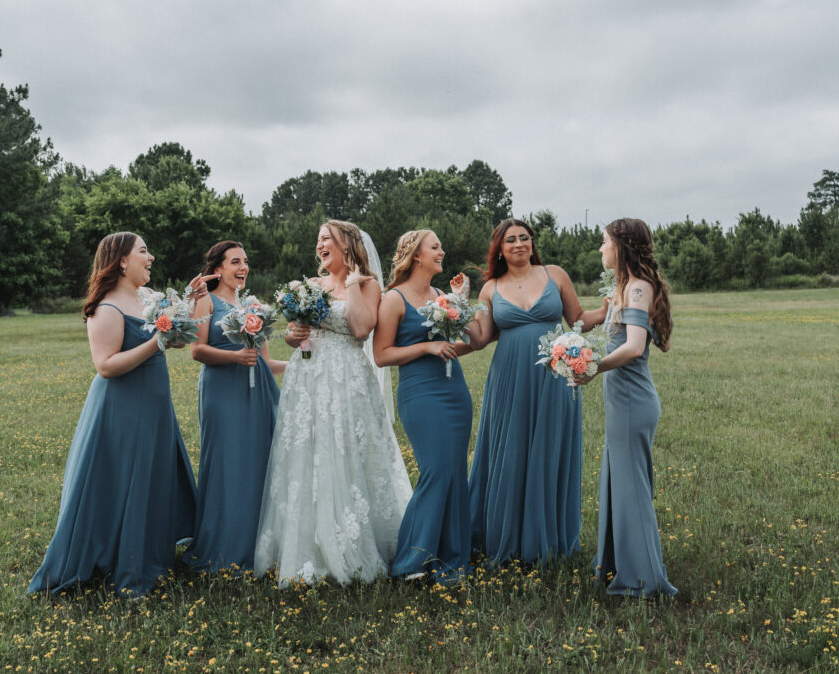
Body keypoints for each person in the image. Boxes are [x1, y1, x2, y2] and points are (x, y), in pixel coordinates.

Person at [29, 232, 215, 597]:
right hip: (123, 407)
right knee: (124, 478)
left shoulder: (147, 298)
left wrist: (189, 306)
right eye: (144, 251)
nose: (152, 258)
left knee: (151, 476)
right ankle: (117, 559)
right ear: (121, 261)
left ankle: (148, 552)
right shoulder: (106, 308)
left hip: (154, 404)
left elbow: (171, 337)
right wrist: (156, 342)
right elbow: (106, 366)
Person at [254, 220, 412, 586]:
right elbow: (297, 338)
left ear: (347, 245)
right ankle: (308, 543)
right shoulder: (310, 286)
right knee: (308, 452)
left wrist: (354, 284)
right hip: (307, 378)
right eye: (319, 240)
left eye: (327, 239)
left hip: (347, 377)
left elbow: (360, 329)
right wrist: (294, 335)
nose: (320, 245)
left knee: (347, 452)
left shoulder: (369, 285)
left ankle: (355, 542)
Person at [464, 218, 606, 564]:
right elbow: (481, 338)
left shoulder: (554, 275)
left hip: (555, 375)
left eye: (524, 238)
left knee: (548, 450)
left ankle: (547, 538)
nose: (519, 244)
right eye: (510, 240)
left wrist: (609, 308)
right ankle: (503, 535)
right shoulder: (490, 289)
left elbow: (579, 320)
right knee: (509, 450)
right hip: (509, 379)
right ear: (500, 248)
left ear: (532, 242)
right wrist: (456, 308)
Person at [573, 218, 677, 597]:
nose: (601, 249)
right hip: (624, 401)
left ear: (622, 246)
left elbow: (634, 347)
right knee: (621, 482)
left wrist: (591, 369)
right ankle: (621, 565)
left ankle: (643, 580)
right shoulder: (627, 287)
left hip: (633, 401)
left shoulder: (637, 288)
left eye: (604, 243)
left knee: (631, 487)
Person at [373, 230, 473, 582]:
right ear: (416, 255)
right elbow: (382, 355)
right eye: (436, 247)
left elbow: (467, 342)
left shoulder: (441, 295)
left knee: (455, 474)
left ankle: (451, 557)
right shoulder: (394, 299)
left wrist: (460, 301)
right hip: (420, 393)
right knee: (435, 472)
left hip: (454, 391)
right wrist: (426, 348)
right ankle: (411, 560)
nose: (442, 251)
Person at [182, 241, 285, 574]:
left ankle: (258, 543)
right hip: (221, 392)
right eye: (235, 262)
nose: (243, 268)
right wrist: (236, 357)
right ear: (219, 269)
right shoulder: (205, 301)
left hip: (258, 394)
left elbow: (266, 362)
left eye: (245, 262)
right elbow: (197, 350)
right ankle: (223, 546)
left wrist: (303, 364)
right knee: (227, 464)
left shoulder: (253, 306)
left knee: (258, 463)